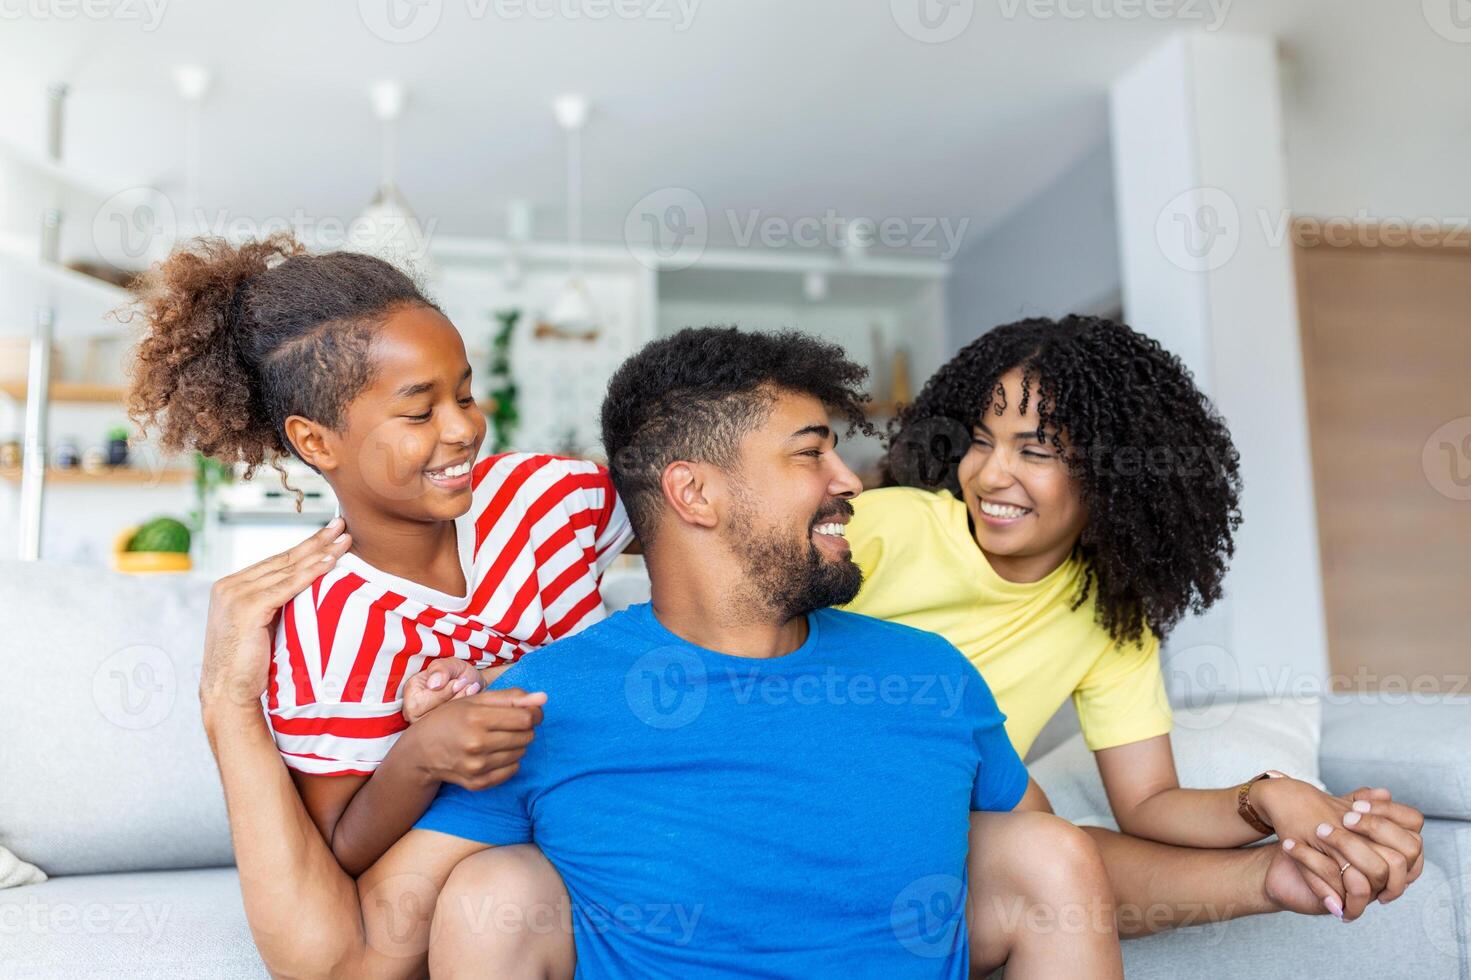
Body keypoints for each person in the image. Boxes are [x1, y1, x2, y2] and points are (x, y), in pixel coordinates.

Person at [197, 326, 1123, 978]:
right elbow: (353, 960)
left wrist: (1250, 869)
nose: (849, 483)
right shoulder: (533, 710)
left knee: (1047, 852)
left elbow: (1073, 874)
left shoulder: (929, 675)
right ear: (694, 493)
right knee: (490, 888)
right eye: (810, 454)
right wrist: (230, 705)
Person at [842, 315, 1426, 933]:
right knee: (1039, 847)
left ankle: (1277, 881)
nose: (988, 475)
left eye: (1035, 450)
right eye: (982, 441)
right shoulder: (885, 527)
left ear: (1113, 476)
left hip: (937, 849)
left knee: (1051, 853)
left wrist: (1269, 796)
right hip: (817, 810)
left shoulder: (1110, 614)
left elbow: (1149, 804)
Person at [129, 233, 633, 876]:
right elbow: (339, 845)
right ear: (316, 442)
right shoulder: (328, 632)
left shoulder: (542, 496)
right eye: (420, 413)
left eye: (466, 396)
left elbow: (688, 525)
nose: (464, 429)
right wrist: (420, 754)